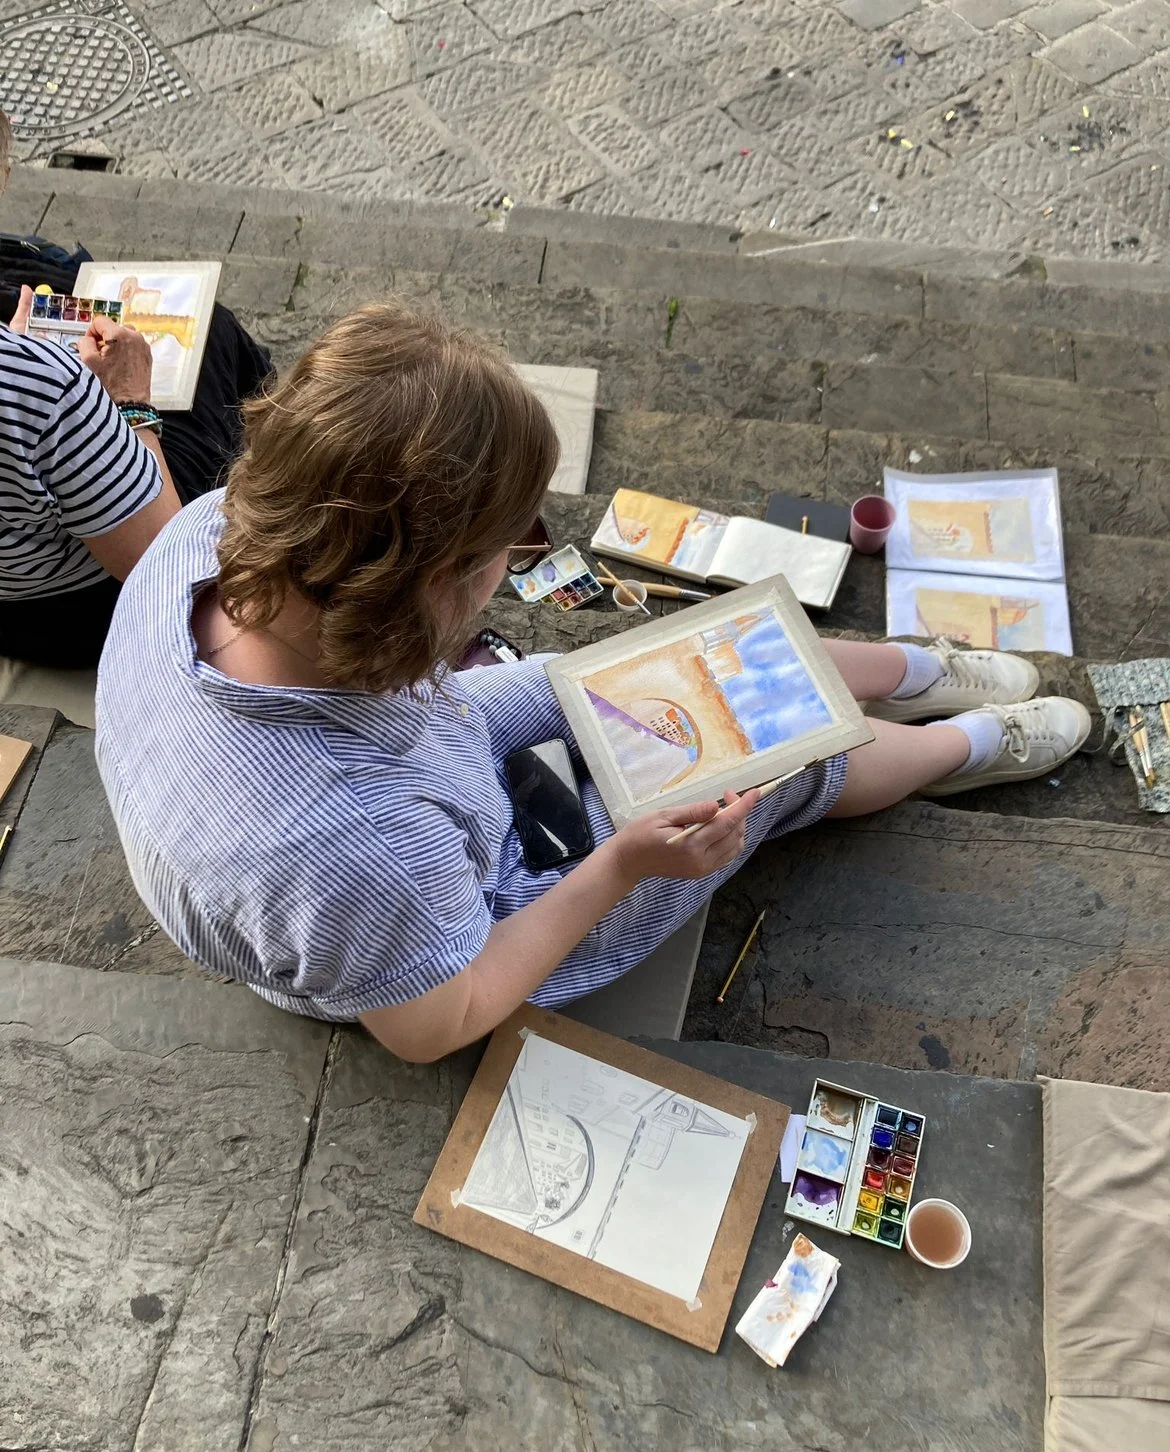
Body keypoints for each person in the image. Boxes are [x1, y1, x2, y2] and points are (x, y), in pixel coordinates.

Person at [95, 303, 1092, 1064]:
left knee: (681, 663)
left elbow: (397, 747)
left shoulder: (213, 536)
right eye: (499, 553)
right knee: (768, 760)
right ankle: (964, 744)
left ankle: (922, 673)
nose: (515, 560)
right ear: (434, 591)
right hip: (443, 926)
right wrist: (622, 867)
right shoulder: (363, 851)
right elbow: (439, 1022)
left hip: (380, 785)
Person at [0, 109, 271, 671]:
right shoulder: (38, 382)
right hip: (72, 611)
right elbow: (167, 565)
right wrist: (126, 399)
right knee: (212, 331)